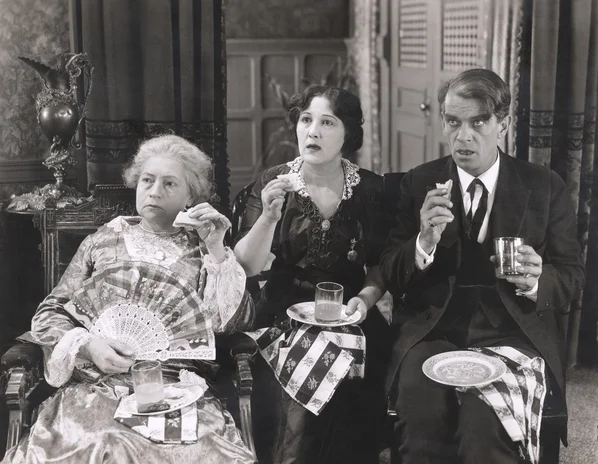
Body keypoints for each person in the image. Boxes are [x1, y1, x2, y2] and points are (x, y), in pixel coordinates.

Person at [2, 134, 256, 464]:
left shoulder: (204, 249)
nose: (154, 191)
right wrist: (88, 345)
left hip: (176, 390)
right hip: (99, 386)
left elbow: (235, 322)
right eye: (147, 180)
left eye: (169, 184)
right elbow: (51, 312)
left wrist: (217, 249)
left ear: (190, 196)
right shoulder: (104, 239)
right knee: (104, 442)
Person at [380, 68, 585, 464]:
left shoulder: (543, 186)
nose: (464, 135)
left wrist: (537, 280)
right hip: (435, 329)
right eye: (453, 122)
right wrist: (422, 241)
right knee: (421, 415)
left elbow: (572, 276)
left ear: (502, 124)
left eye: (478, 122)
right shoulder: (418, 183)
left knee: (486, 425)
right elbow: (390, 271)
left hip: (512, 332)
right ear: (442, 121)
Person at [234, 85, 390, 463]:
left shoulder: (369, 187)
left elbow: (385, 262)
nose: (313, 131)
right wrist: (269, 217)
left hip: (352, 314)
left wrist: (367, 299)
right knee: (302, 399)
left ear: (348, 134)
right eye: (306, 120)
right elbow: (246, 265)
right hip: (283, 314)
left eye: (327, 122)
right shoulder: (275, 181)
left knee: (356, 378)